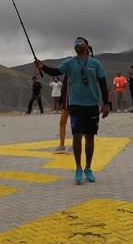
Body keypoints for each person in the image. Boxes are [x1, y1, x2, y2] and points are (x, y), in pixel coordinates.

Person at [43, 36, 110, 184]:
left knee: (90, 138)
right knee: (77, 136)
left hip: (92, 105)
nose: (77, 44)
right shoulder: (69, 63)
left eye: (80, 42)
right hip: (75, 105)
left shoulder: (95, 63)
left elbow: (103, 84)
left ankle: (88, 168)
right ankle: (78, 168)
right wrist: (42, 66)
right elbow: (54, 70)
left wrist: (106, 104)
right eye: (75, 43)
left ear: (87, 46)